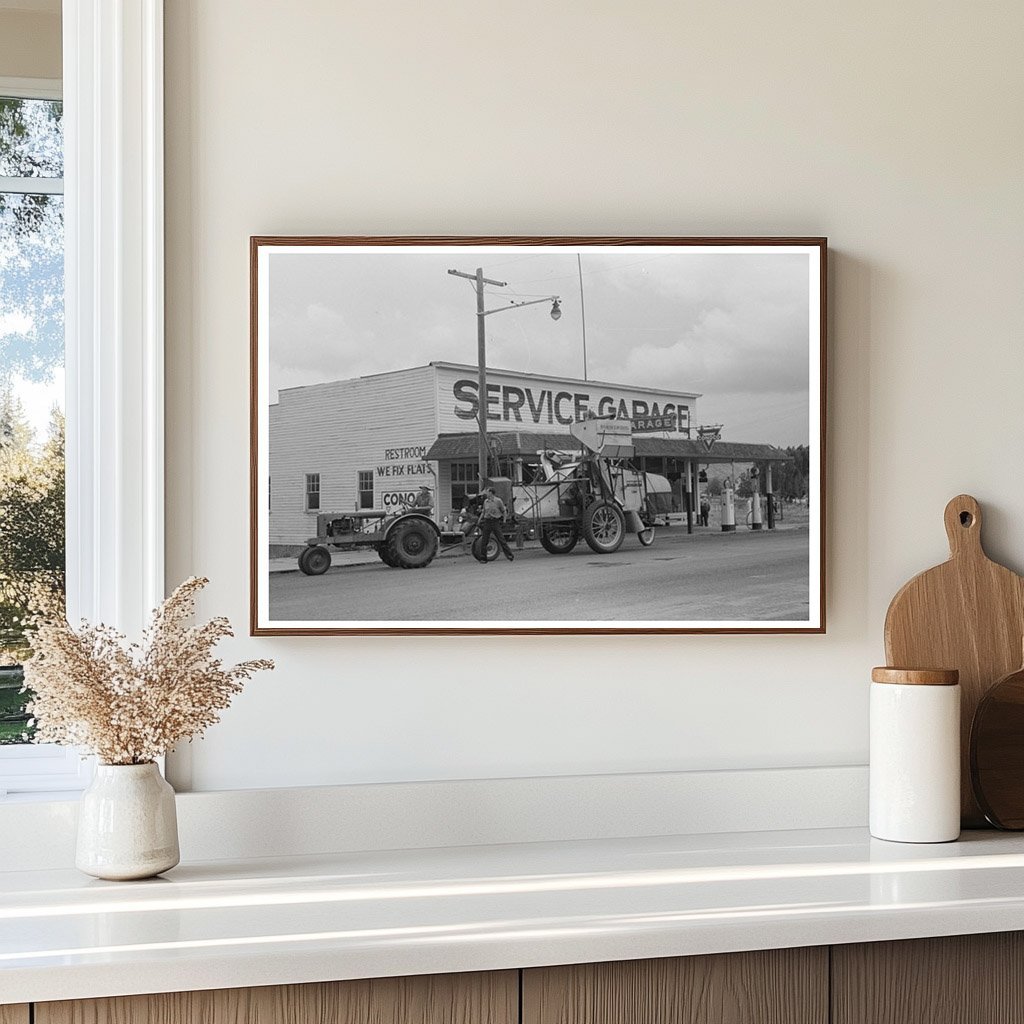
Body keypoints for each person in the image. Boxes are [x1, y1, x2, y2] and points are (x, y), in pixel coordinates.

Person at [476, 486, 515, 563]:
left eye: (487, 492)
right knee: (484, 540)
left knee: (501, 539)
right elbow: (483, 512)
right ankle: (483, 558)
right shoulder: (485, 502)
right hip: (487, 521)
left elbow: (504, 511)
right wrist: (479, 520)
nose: (486, 493)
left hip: (495, 521)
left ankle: (510, 555)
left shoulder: (498, 501)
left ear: (491, 493)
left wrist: (504, 520)